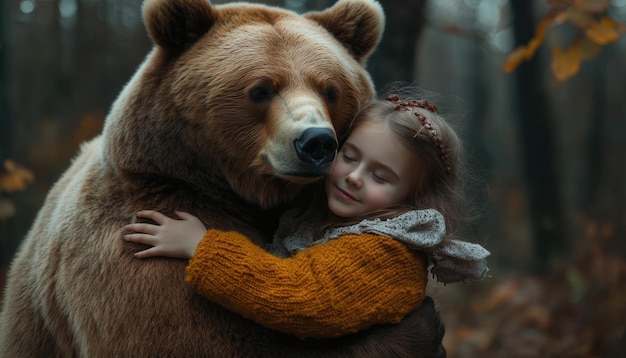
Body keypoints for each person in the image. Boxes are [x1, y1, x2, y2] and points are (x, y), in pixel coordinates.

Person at [123, 90, 490, 339]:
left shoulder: (386, 254)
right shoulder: (338, 220)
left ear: (414, 198)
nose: (354, 177)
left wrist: (202, 246)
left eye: (380, 176)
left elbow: (298, 297)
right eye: (349, 155)